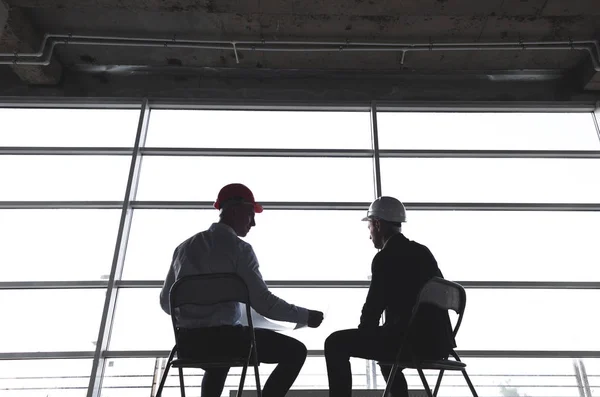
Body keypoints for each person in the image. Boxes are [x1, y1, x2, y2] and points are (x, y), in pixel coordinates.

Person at [160, 183, 324, 397]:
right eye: (250, 214)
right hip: (229, 342)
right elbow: (265, 303)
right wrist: (306, 315)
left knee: (217, 365)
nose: (253, 223)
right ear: (235, 211)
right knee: (295, 351)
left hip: (188, 344)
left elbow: (166, 303)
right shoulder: (240, 250)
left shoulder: (184, 248)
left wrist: (199, 314)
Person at [324, 196, 455, 397]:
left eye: (369, 227)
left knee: (334, 343)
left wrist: (364, 335)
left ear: (377, 224)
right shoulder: (423, 252)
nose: (369, 235)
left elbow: (372, 308)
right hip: (438, 344)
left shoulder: (385, 258)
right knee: (386, 348)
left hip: (410, 344)